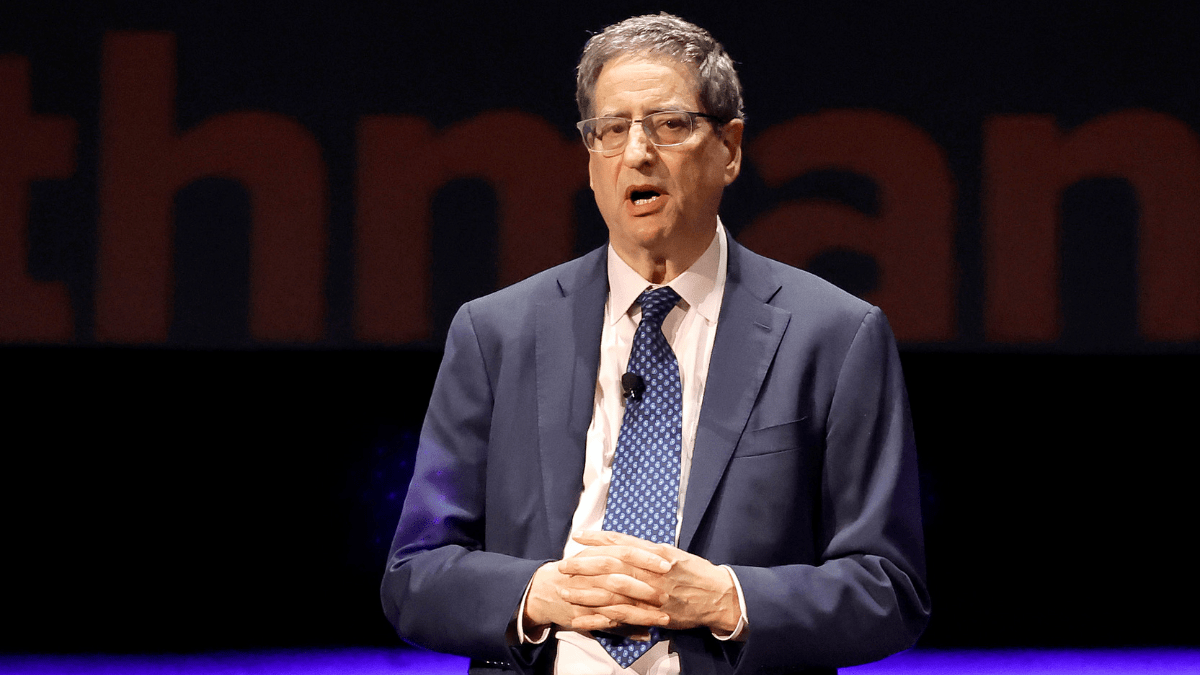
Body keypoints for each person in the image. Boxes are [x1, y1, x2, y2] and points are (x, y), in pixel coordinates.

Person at [381, 13, 930, 675]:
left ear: (729, 149)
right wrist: (536, 593)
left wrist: (728, 598)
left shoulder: (834, 337)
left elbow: (889, 588)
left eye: (669, 124)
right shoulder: (496, 332)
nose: (637, 152)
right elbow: (414, 574)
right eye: (611, 129)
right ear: (590, 161)